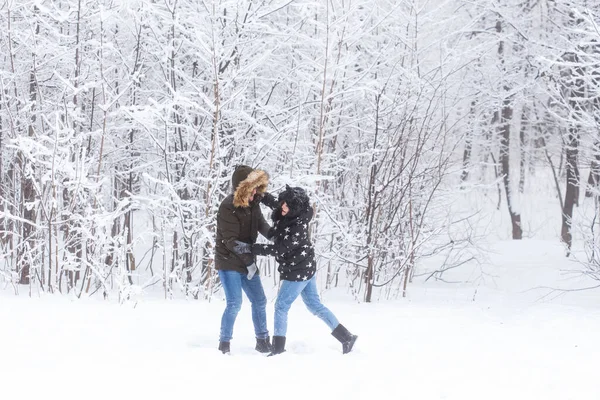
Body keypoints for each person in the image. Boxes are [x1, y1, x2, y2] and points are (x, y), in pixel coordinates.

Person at [233, 185, 358, 356]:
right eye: (283, 203)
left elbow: (278, 249)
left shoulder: (297, 228)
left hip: (297, 270)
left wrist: (249, 248)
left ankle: (277, 349)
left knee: (281, 306)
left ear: (295, 209)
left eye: (287, 206)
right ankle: (347, 337)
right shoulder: (289, 210)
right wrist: (259, 194)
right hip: (305, 266)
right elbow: (274, 203)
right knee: (315, 306)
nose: (283, 207)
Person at [214, 165, 274, 354]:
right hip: (229, 260)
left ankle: (263, 340)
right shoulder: (227, 207)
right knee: (234, 303)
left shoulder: (254, 204)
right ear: (242, 189)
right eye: (251, 188)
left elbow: (261, 225)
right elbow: (231, 242)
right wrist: (249, 263)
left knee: (260, 300)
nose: (255, 192)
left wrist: (275, 237)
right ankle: (224, 344)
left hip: (247, 258)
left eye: (256, 187)